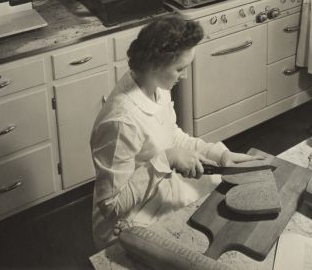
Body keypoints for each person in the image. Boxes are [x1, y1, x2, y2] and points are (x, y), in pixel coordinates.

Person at [90, 16, 259, 249]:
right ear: (156, 64)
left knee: (220, 205)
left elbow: (173, 136)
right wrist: (167, 159)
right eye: (180, 69)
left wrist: (219, 155)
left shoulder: (157, 88)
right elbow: (111, 206)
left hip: (159, 191)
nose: (184, 76)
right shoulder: (121, 121)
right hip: (127, 219)